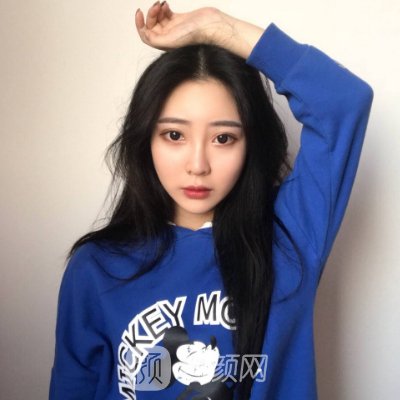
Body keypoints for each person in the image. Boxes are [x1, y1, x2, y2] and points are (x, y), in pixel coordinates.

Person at [49, 3, 373, 400]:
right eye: (174, 135)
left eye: (223, 138)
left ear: (249, 144)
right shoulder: (97, 266)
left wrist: (218, 28)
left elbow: (343, 101)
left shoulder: (290, 234)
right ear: (145, 140)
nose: (198, 165)